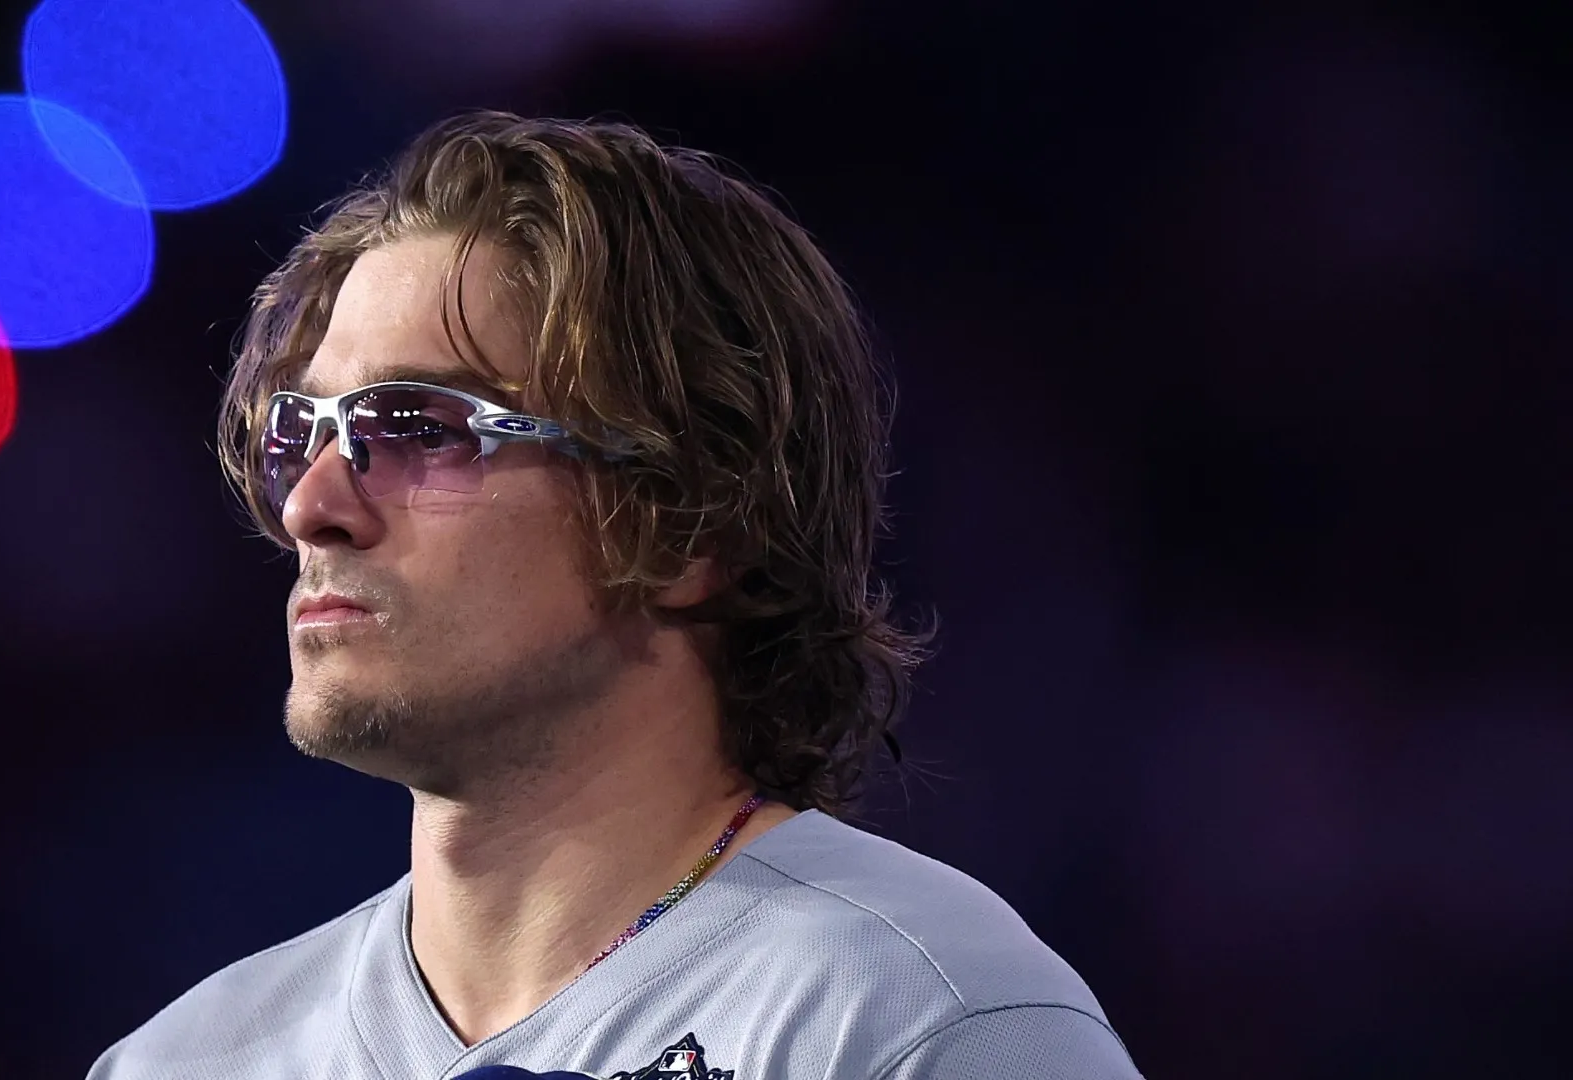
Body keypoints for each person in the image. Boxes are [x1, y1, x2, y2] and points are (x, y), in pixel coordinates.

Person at [87, 112, 1141, 1080]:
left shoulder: (921, 1024)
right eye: (299, 435)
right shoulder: (183, 1063)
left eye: (418, 431)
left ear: (688, 522)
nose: (313, 506)